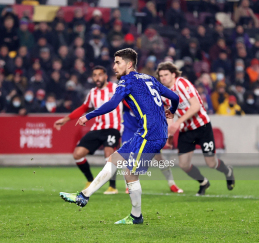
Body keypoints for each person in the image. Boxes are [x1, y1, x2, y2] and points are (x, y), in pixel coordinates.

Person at [60, 49, 180, 225]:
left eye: (118, 63)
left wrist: (88, 115)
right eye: (114, 63)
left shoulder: (127, 81)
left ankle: (136, 216)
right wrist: (172, 111)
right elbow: (174, 97)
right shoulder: (149, 78)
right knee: (114, 159)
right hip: (152, 131)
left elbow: (112, 104)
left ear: (129, 64)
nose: (114, 66)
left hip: (150, 133)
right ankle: (84, 195)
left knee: (130, 174)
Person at [157, 62, 235, 196]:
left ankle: (227, 171)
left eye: (166, 75)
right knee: (183, 165)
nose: (163, 78)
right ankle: (203, 182)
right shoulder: (163, 93)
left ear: (173, 74)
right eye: (161, 76)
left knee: (211, 163)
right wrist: (170, 134)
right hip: (186, 130)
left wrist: (178, 122)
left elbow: (196, 106)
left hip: (202, 126)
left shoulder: (182, 84)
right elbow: (169, 115)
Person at [54, 66, 123, 194]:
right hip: (97, 128)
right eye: (95, 75)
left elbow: (129, 103)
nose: (97, 78)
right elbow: (83, 108)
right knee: (77, 154)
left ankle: (112, 186)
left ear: (105, 76)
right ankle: (90, 180)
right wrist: (66, 119)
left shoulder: (115, 88)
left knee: (109, 153)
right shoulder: (92, 92)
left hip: (113, 128)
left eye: (100, 75)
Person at [121, 107, 183, 194]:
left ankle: (172, 183)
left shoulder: (149, 96)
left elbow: (162, 110)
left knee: (159, 158)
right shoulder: (126, 95)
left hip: (147, 129)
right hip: (130, 129)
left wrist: (167, 132)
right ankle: (129, 186)